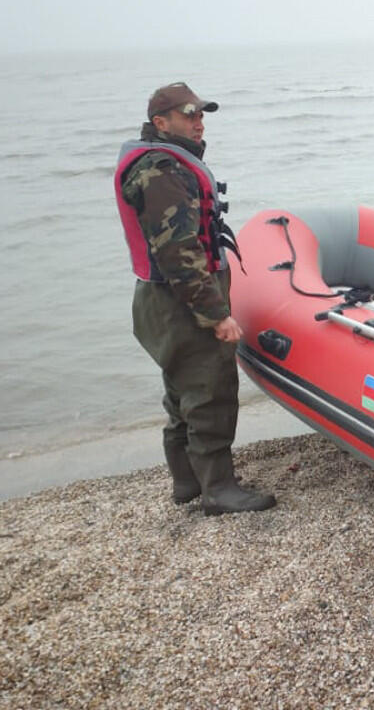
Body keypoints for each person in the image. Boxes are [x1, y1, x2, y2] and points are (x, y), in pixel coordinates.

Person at [114, 82, 276, 515]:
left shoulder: (161, 163)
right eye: (189, 115)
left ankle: (187, 482)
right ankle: (218, 489)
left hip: (163, 297)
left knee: (181, 387)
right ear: (160, 122)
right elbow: (179, 254)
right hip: (179, 298)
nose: (198, 122)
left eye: (201, 114)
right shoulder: (162, 172)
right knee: (209, 389)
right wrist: (216, 315)